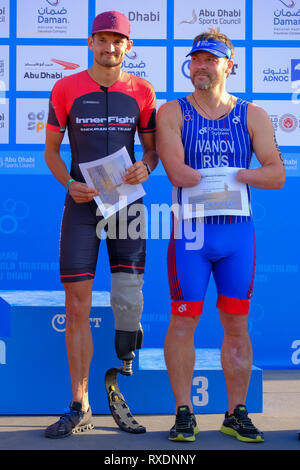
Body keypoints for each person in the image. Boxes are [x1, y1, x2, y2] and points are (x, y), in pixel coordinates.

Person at [157, 28, 285, 443]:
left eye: (211, 60)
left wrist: (237, 175)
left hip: (236, 237)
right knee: (183, 322)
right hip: (191, 237)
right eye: (196, 59)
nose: (201, 66)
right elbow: (177, 172)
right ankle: (183, 412)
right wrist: (221, 176)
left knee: (236, 325)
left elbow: (276, 174)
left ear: (228, 65)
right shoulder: (172, 113)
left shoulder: (253, 115)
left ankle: (236, 412)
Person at [44, 11, 158, 438]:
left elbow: (151, 151)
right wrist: (70, 182)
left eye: (118, 41)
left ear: (128, 47)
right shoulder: (66, 88)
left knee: (127, 299)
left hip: (126, 206)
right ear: (90, 42)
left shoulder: (142, 91)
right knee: (76, 305)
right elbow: (52, 151)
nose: (110, 48)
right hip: (82, 205)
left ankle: (125, 362)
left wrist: (147, 167)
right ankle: (80, 403)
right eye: (103, 40)